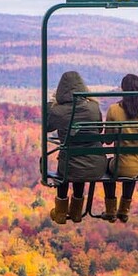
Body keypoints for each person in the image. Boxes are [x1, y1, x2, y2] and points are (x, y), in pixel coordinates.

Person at [46, 71, 107, 224]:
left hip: (69, 165)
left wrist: (49, 106)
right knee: (79, 163)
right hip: (96, 164)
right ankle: (76, 212)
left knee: (67, 168)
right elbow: (99, 130)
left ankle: (60, 212)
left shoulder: (58, 111)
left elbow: (47, 127)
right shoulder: (93, 107)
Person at [102, 74, 138, 223]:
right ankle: (124, 210)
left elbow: (108, 141)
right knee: (132, 167)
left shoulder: (114, 110)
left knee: (106, 167)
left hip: (123, 166)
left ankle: (111, 210)